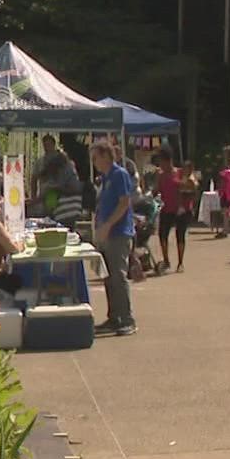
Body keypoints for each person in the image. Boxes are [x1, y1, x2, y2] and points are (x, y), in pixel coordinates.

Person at [91, 141, 138, 335]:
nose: (94, 162)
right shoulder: (106, 177)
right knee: (109, 277)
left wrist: (108, 224)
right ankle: (114, 317)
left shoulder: (119, 174)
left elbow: (124, 203)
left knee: (118, 276)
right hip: (106, 233)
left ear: (105, 155)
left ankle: (127, 319)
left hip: (119, 233)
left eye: (95, 157)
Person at [152, 150, 192, 273]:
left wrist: (184, 183)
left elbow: (191, 185)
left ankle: (180, 263)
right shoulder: (160, 175)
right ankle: (166, 260)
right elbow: (156, 190)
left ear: (168, 161)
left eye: (161, 161)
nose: (160, 165)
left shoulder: (180, 172)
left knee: (180, 235)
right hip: (167, 208)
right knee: (162, 234)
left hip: (181, 209)